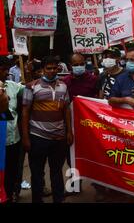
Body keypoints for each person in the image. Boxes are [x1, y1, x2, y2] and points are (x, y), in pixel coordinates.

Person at [21, 56, 72, 203]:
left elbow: (66, 110)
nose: (51, 71)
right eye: (48, 68)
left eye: (54, 68)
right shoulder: (31, 86)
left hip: (59, 137)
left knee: (57, 172)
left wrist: (69, 132)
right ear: (42, 70)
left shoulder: (63, 86)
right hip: (38, 137)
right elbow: (25, 112)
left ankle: (59, 199)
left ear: (58, 69)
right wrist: (26, 137)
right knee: (37, 173)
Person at [0, 57, 25, 202]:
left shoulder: (13, 86)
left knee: (12, 170)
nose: (5, 73)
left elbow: (29, 88)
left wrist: (29, 73)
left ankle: (10, 194)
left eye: (6, 70)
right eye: (2, 70)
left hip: (13, 139)